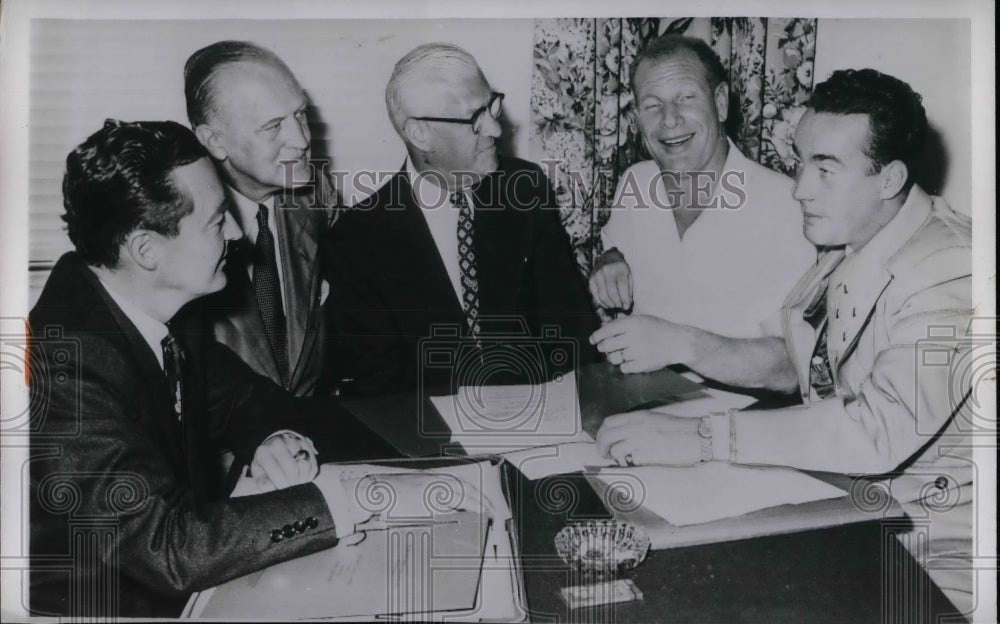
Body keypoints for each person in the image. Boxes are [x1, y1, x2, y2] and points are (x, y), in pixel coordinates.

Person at [27, 120, 470, 617]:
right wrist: (345, 500)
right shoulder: (65, 367)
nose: (238, 234)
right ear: (146, 250)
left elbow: (241, 396)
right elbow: (166, 547)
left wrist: (268, 435)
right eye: (218, 221)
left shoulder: (156, 305)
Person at [593, 69, 973, 614]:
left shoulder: (953, 269)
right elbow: (796, 368)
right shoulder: (851, 242)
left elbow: (875, 430)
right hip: (845, 511)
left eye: (826, 169)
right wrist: (682, 351)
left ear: (888, 179)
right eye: (801, 161)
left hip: (932, 550)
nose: (799, 188)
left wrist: (700, 438)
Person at [325, 43, 598, 397]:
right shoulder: (357, 239)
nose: (496, 130)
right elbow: (375, 384)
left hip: (543, 420)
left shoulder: (526, 190)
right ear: (419, 133)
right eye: (475, 119)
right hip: (434, 438)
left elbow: (572, 329)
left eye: (491, 108)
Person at [590, 34, 815, 342]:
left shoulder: (787, 206)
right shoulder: (635, 182)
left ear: (720, 104)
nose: (669, 120)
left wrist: (676, 345)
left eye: (686, 98)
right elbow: (615, 247)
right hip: (640, 388)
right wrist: (609, 259)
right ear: (637, 119)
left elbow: (788, 367)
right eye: (652, 105)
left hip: (746, 392)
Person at [184, 40, 336, 397]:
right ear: (214, 141)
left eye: (300, 114)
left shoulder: (317, 197)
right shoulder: (178, 232)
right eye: (273, 126)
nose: (300, 140)